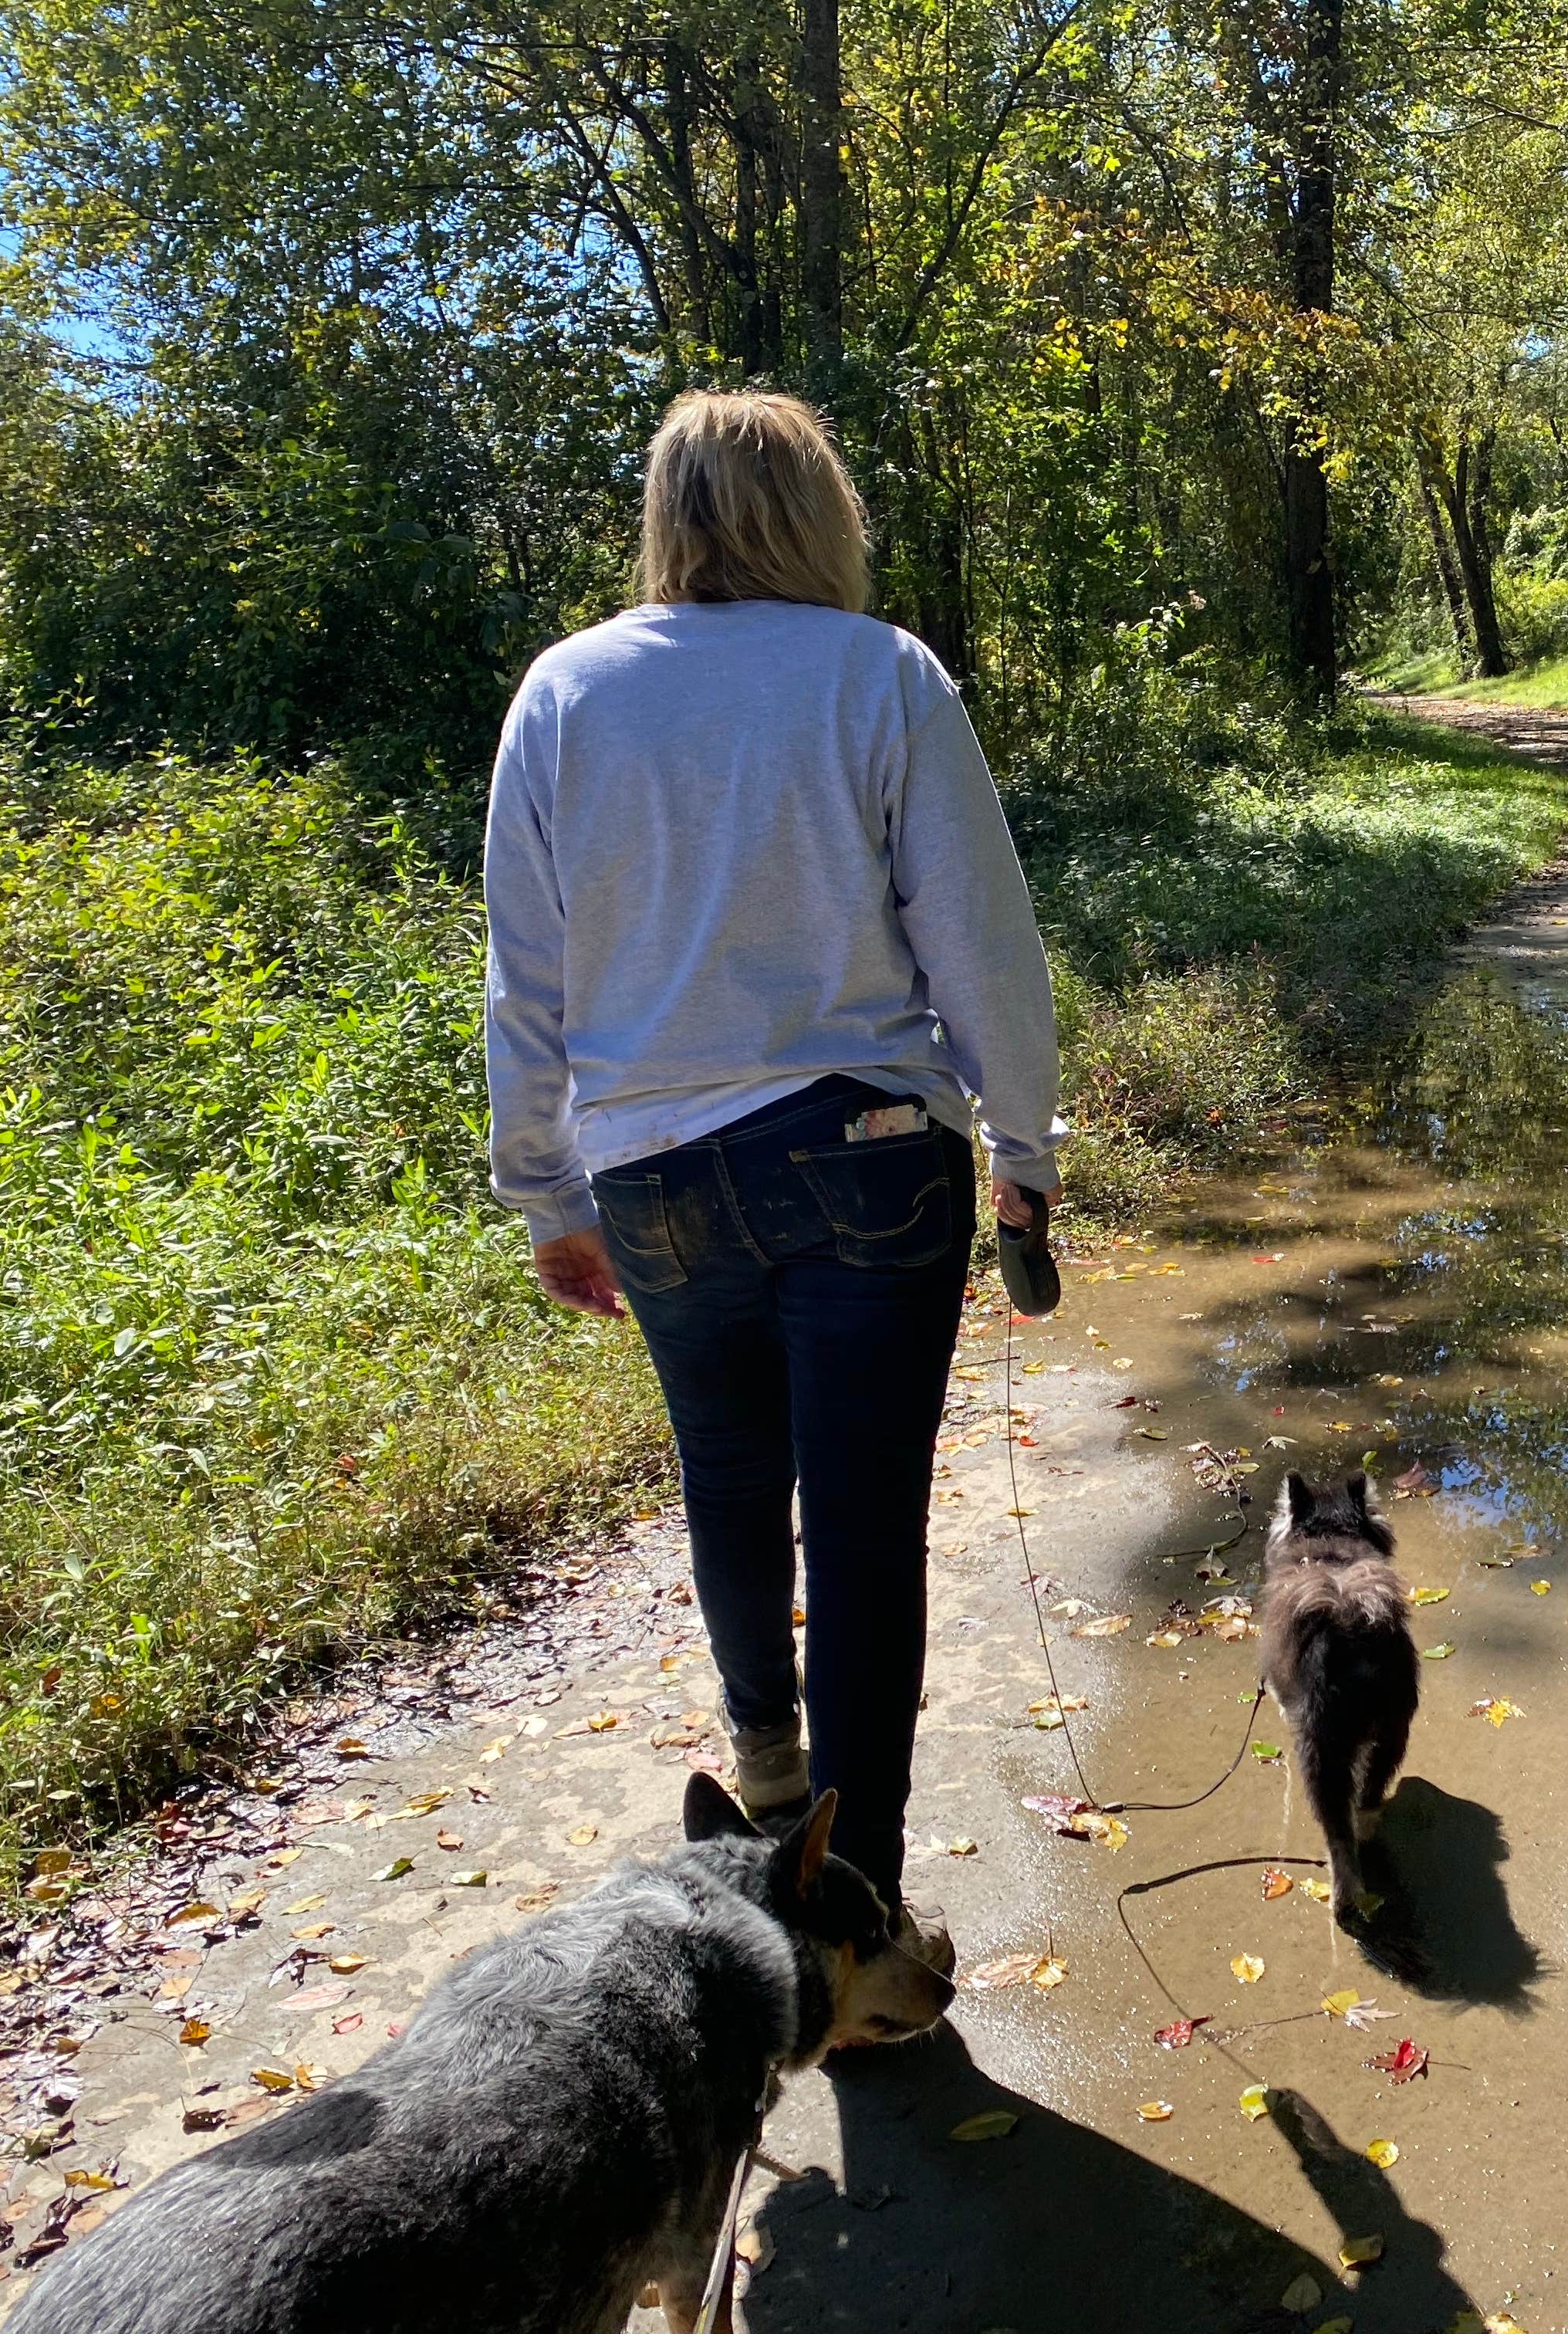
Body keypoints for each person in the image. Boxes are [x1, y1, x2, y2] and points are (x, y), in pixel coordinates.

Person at [482, 388, 1061, 1972]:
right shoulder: (879, 676)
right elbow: (980, 940)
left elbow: (525, 975)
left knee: (732, 1483)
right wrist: (1023, 1148)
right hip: (868, 1157)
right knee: (864, 1531)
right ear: (820, 515)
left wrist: (545, 1188)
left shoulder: (565, 691)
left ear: (668, 514)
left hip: (655, 1172)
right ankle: (854, 1902)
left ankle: (766, 1781)